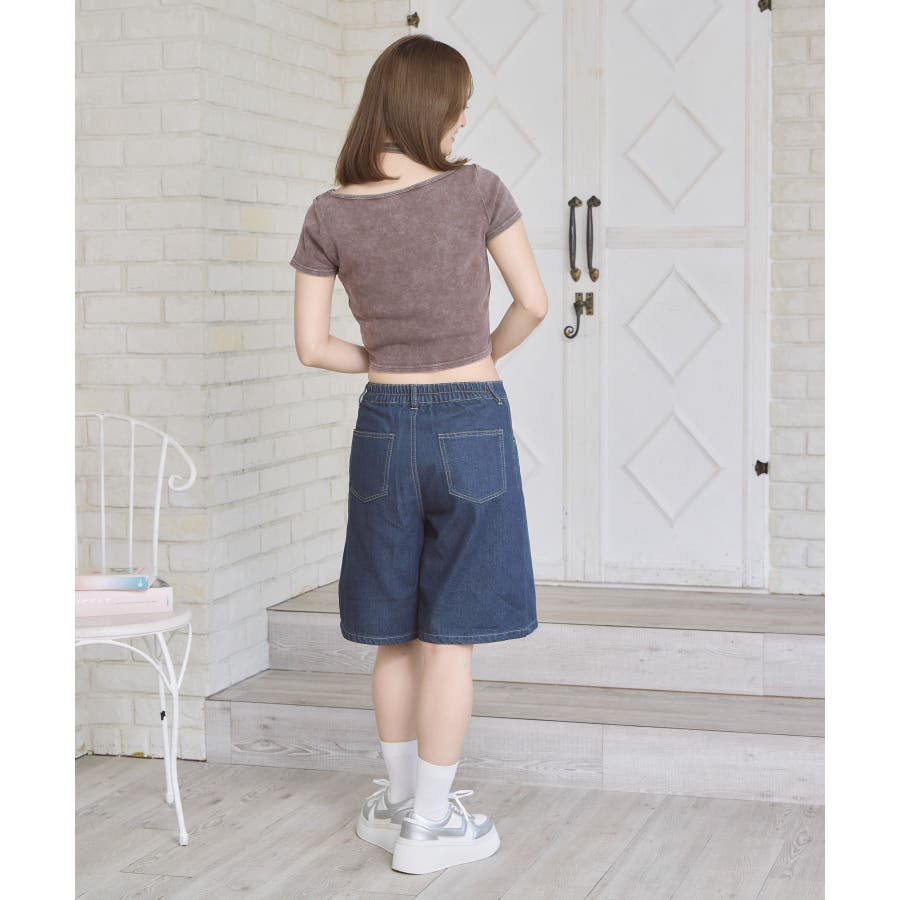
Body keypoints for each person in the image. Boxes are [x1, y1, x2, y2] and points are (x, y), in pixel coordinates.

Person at [290, 33, 548, 876]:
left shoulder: (330, 211)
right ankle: (432, 827)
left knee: (394, 633)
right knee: (450, 638)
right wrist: (476, 359)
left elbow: (311, 347)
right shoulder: (479, 190)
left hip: (383, 425)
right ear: (432, 109)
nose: (464, 119)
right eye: (458, 105)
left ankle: (399, 807)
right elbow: (534, 303)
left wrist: (385, 359)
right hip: (472, 417)